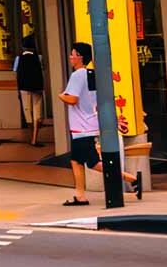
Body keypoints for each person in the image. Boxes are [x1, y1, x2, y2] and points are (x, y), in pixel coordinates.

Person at [60, 41, 141, 205]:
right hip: (88, 124)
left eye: (73, 54)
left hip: (81, 127)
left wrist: (61, 96)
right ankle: (80, 195)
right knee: (76, 160)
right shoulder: (91, 74)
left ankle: (131, 179)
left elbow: (73, 99)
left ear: (79, 57)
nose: (70, 57)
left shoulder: (77, 75)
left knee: (92, 163)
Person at [13, 36, 46, 147]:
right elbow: (42, 70)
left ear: (23, 46)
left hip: (23, 87)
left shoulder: (19, 58)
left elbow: (16, 73)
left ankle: (31, 135)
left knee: (27, 111)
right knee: (37, 112)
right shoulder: (39, 57)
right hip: (37, 87)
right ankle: (35, 138)